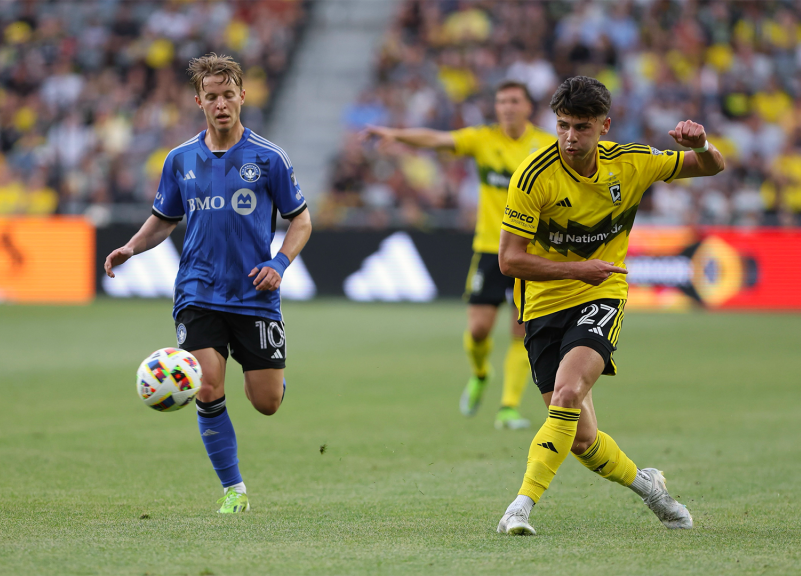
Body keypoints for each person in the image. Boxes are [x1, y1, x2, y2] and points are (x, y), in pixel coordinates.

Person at [495, 76, 725, 535]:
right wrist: (580, 269)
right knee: (580, 439)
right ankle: (650, 487)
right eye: (562, 126)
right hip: (543, 304)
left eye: (581, 127)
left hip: (601, 294)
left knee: (565, 395)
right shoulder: (533, 176)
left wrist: (702, 144)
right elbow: (509, 260)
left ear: (605, 126)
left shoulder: (633, 162)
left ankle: (519, 507)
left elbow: (711, 167)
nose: (569, 137)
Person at [105, 53, 312, 515]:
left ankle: (272, 381)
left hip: (256, 294)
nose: (221, 104)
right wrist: (131, 248)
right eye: (211, 97)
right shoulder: (180, 160)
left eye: (228, 95)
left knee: (267, 403)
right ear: (199, 101)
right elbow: (163, 220)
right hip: (198, 291)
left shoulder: (269, 157)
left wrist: (279, 262)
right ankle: (233, 489)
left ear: (243, 95)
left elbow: (302, 222)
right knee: (207, 385)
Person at [362, 81, 555, 429]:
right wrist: (397, 134)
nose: (507, 107)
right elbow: (437, 139)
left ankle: (508, 408)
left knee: (521, 332)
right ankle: (481, 374)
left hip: (531, 251)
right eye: (501, 101)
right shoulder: (483, 139)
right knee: (479, 329)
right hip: (489, 248)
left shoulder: (547, 145)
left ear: (529, 107)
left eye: (514, 101)